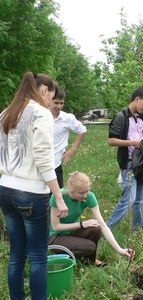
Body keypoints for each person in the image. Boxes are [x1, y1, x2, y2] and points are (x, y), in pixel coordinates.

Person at [0, 72, 68, 300]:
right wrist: (58, 196)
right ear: (44, 90)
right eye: (52, 95)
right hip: (30, 193)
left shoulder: (6, 113)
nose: (52, 101)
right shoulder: (41, 113)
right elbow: (43, 157)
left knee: (16, 254)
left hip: (5, 189)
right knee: (38, 255)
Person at [49, 172, 134, 266]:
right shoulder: (58, 197)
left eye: (87, 191)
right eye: (81, 193)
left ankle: (90, 261)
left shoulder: (89, 196)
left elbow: (103, 225)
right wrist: (82, 224)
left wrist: (119, 249)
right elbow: (56, 227)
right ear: (71, 190)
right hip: (56, 237)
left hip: (73, 232)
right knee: (90, 246)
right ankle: (62, 256)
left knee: (96, 228)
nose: (85, 195)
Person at [106, 87, 143, 232]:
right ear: (136, 99)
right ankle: (107, 229)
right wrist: (133, 143)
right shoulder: (121, 117)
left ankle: (137, 228)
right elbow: (111, 141)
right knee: (129, 199)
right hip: (129, 162)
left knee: (140, 198)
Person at [50, 87, 87, 188]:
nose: (59, 106)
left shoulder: (67, 118)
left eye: (61, 103)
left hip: (55, 163)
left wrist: (72, 149)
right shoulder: (40, 116)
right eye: (56, 103)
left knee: (55, 196)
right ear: (49, 101)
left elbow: (82, 131)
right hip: (39, 163)